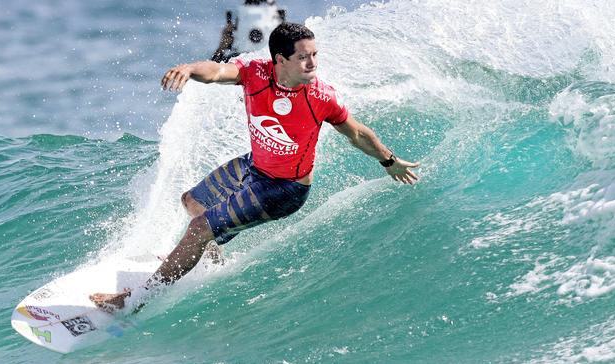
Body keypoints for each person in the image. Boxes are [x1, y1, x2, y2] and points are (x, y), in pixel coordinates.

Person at [90, 22, 419, 312]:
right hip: (255, 167)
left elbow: (357, 133)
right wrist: (190, 69)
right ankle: (209, 258)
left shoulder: (320, 97)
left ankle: (137, 300)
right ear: (280, 60)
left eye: (315, 55)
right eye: (303, 57)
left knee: (198, 228)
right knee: (192, 202)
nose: (312, 63)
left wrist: (388, 160)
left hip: (286, 189)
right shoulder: (256, 74)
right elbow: (218, 72)